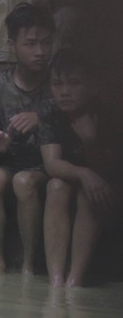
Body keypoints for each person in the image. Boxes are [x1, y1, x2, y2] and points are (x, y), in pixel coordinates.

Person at [0, 4, 55, 275]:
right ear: (12, 45)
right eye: (31, 43)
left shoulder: (57, 81)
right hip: (10, 160)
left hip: (45, 165)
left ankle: (28, 263)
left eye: (46, 43)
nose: (40, 51)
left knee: (24, 182)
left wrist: (40, 118)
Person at [40, 49, 120, 288]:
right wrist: (84, 173)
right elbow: (52, 163)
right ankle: (56, 281)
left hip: (107, 190)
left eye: (74, 84)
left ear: (92, 85)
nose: (64, 92)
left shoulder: (107, 111)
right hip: (74, 180)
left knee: (89, 194)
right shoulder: (50, 110)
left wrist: (90, 142)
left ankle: (74, 280)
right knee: (56, 186)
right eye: (57, 84)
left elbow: (113, 171)